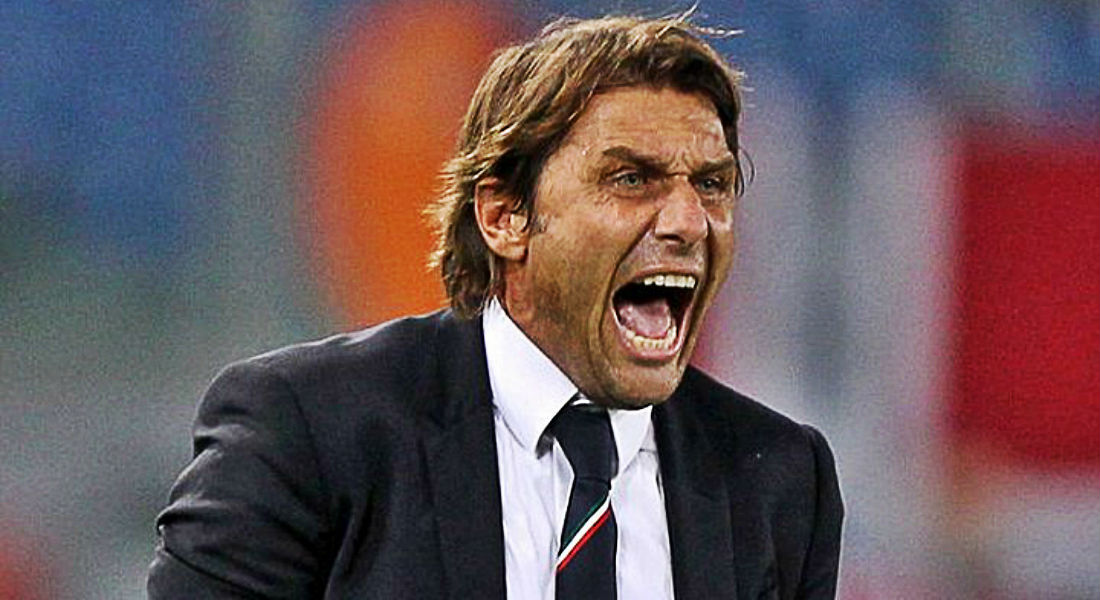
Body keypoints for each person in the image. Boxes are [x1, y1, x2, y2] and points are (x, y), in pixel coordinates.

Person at [148, 14, 843, 600]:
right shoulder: (309, 431)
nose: (690, 223)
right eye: (632, 179)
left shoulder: (778, 478)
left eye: (713, 185)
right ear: (505, 216)